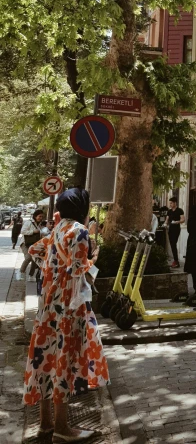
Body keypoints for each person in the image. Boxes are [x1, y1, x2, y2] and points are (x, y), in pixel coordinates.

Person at [23, 188, 108, 442]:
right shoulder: (79, 231)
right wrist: (93, 258)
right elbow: (78, 270)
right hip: (69, 307)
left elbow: (34, 251)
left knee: (47, 361)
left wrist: (51, 273)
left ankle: (46, 424)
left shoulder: (56, 229)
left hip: (48, 304)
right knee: (64, 364)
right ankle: (62, 428)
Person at [18, 210, 44, 280]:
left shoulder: (40, 224)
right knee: (29, 257)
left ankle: (31, 276)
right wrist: (33, 231)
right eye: (39, 216)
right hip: (25, 243)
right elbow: (22, 231)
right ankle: (20, 272)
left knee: (35, 259)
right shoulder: (29, 222)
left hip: (35, 243)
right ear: (35, 216)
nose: (40, 218)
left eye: (42, 216)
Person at [165, 198, 185, 268]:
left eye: (171, 203)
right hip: (170, 229)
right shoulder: (169, 211)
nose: (170, 204)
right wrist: (165, 224)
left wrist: (177, 222)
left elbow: (183, 219)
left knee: (173, 243)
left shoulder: (179, 210)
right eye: (169, 203)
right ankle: (175, 260)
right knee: (172, 244)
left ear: (175, 203)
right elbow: (167, 220)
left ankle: (176, 261)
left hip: (176, 228)